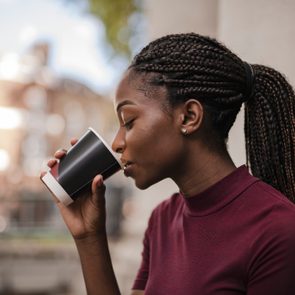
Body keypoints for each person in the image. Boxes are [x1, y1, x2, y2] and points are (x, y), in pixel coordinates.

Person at [44, 33, 295, 295]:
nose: (117, 143)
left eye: (129, 121)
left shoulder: (278, 231)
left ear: (188, 117)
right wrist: (89, 238)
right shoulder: (162, 220)